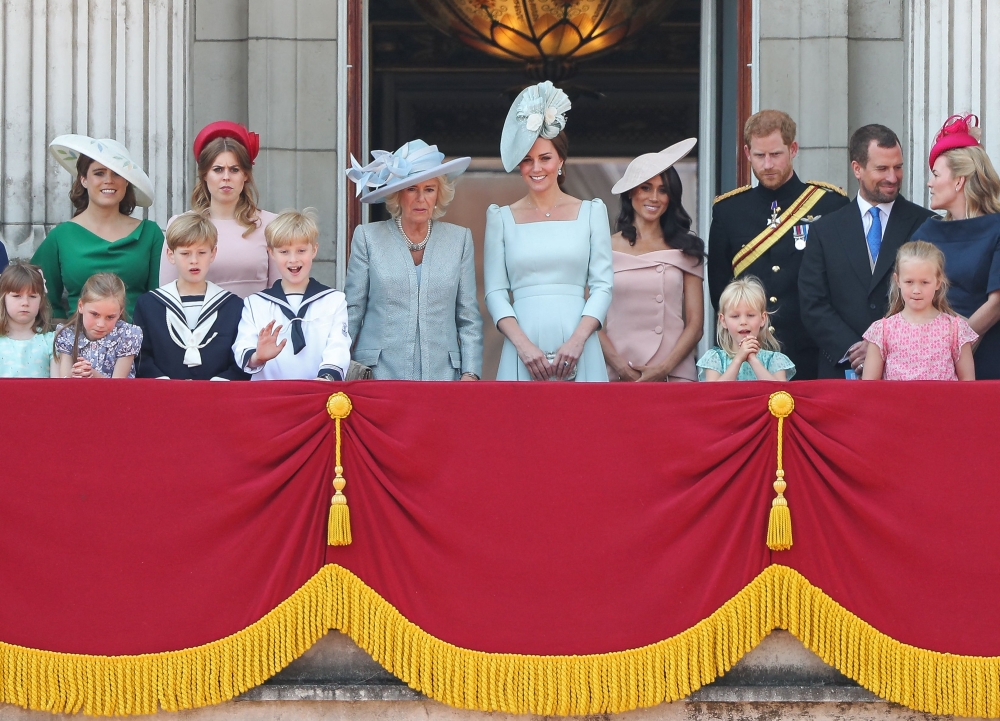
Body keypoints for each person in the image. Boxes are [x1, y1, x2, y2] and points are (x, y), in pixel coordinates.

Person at [485, 81, 613, 382]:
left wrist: (578, 340)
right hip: (521, 345)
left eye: (545, 158)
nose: (536, 168)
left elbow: (603, 285)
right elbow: (494, 292)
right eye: (527, 160)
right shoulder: (500, 218)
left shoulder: (592, 212)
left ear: (560, 162)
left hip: (580, 342)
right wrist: (523, 346)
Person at [708, 110, 849, 380]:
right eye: (760, 156)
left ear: (793, 149)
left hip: (811, 351)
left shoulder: (829, 205)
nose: (768, 164)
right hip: (750, 354)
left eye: (776, 154)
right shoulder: (729, 210)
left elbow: (840, 283)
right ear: (748, 153)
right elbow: (720, 289)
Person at [799, 124, 936, 378]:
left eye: (898, 167)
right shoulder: (825, 230)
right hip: (842, 372)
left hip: (909, 371)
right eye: (882, 169)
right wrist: (853, 349)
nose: (893, 177)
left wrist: (882, 347)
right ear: (857, 169)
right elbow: (813, 303)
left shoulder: (927, 224)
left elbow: (936, 298)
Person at [344, 139, 482, 380]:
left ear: (439, 195)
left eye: (429, 189)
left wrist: (470, 373)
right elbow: (352, 311)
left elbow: (468, 316)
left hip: (443, 376)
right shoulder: (368, 238)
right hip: (379, 375)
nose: (421, 198)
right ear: (398, 194)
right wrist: (333, 368)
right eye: (411, 189)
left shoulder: (459, 239)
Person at [599, 139, 705, 382]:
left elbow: (696, 324)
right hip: (617, 374)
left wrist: (664, 368)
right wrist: (620, 367)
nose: (654, 197)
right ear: (631, 192)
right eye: (646, 188)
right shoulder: (604, 247)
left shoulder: (687, 248)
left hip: (674, 373)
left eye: (663, 189)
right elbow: (589, 320)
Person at [32, 135, 163, 320]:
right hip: (78, 345)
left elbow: (161, 300)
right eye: (99, 173)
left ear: (127, 181)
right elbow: (40, 296)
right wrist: (63, 335)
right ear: (84, 179)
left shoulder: (151, 234)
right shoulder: (61, 237)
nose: (109, 180)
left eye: (117, 173)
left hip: (138, 344)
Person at [913, 114, 1000, 379]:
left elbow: (997, 302)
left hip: (987, 358)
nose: (929, 183)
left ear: (959, 181)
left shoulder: (996, 228)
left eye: (936, 175)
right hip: (930, 357)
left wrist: (958, 346)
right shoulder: (924, 232)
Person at [160, 122, 279, 297]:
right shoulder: (180, 224)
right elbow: (167, 293)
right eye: (217, 169)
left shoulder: (272, 225)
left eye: (234, 169)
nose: (226, 177)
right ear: (205, 175)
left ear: (245, 175)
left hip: (258, 322)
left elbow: (280, 291)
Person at [232, 209, 350, 381]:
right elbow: (243, 345)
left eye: (301, 250)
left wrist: (325, 380)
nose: (293, 260)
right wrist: (258, 356)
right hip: (270, 397)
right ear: (271, 253)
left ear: (314, 250)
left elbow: (338, 347)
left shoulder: (333, 301)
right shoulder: (255, 304)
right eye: (284, 252)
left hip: (318, 394)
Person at [133, 212, 248, 380]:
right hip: (163, 398)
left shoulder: (233, 306)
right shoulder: (149, 305)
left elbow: (240, 358)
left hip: (218, 398)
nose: (194, 260)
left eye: (201, 252)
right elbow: (141, 357)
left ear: (213, 253)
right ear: (171, 255)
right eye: (185, 253)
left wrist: (216, 386)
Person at [861, 241, 976, 381]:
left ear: (938, 282)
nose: (916, 291)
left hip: (943, 403)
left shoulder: (956, 330)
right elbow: (869, 388)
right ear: (897, 280)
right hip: (896, 403)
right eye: (909, 282)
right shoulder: (882, 331)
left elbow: (969, 387)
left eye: (924, 282)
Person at [697, 276, 794, 381]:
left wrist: (753, 360)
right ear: (723, 320)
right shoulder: (715, 359)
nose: (743, 322)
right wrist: (738, 359)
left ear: (762, 318)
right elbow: (714, 394)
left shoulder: (774, 360)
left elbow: (780, 393)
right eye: (735, 316)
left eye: (750, 315)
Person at [54, 272, 143, 378]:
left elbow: (119, 386)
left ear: (120, 312)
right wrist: (73, 374)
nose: (101, 324)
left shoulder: (127, 336)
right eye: (95, 314)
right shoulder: (67, 335)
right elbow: (62, 385)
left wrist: (93, 375)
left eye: (110, 317)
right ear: (81, 306)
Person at [0, 262, 56, 378]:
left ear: (41, 300)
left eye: (32, 296)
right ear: (3, 298)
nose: (25, 303)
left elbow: (58, 387)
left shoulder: (51, 341)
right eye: (17, 296)